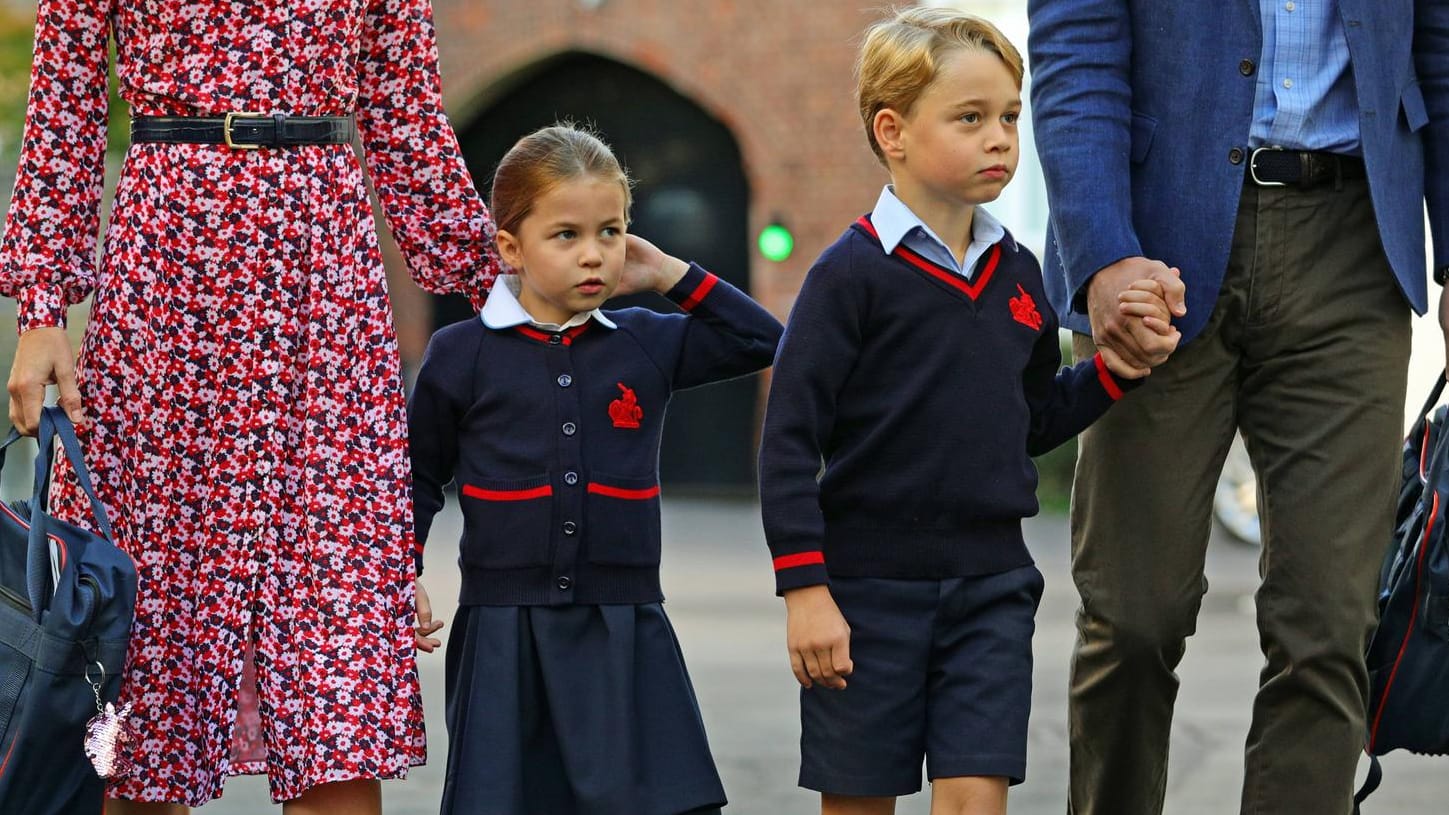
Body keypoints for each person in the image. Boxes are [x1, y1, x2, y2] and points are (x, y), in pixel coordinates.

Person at [0, 1, 500, 812]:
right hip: (166, 281)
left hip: (324, 293)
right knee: (143, 646)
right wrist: (41, 312)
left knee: (336, 636)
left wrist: (512, 299)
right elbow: (65, 105)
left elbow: (409, 122)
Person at [756, 8, 1181, 815]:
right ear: (893, 131)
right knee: (859, 802)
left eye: (1010, 118)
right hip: (864, 591)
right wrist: (803, 590)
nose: (1000, 139)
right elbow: (786, 443)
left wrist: (1112, 372)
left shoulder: (1021, 275)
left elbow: (1030, 419)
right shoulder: (847, 277)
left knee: (975, 800)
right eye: (971, 118)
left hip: (991, 587)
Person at [1027, 1, 1449, 812]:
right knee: (1133, 617)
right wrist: (1102, 254)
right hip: (1154, 245)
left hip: (1353, 244)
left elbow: (1440, 47)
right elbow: (1075, 49)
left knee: (1328, 629)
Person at [407, 123, 783, 815]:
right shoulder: (460, 354)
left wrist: (669, 272)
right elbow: (415, 475)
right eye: (567, 235)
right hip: (503, 630)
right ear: (510, 248)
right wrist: (396, 574)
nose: (594, 254)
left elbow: (766, 341)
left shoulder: (645, 341)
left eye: (610, 232)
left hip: (625, 625)